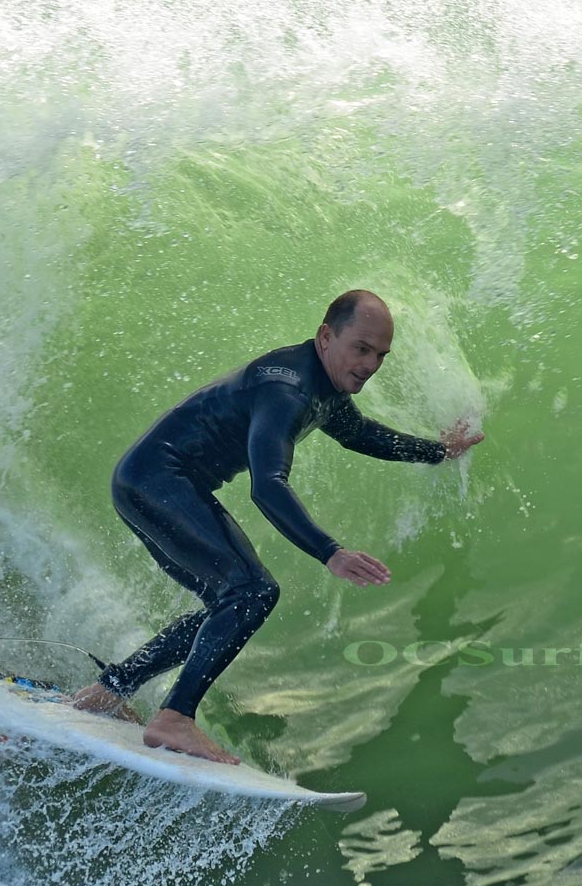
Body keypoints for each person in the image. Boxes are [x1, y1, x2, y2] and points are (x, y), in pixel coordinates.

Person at [71, 290, 484, 763]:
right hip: (158, 481)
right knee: (251, 592)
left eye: (380, 355)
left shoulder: (321, 384)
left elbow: (358, 434)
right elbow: (267, 485)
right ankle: (174, 719)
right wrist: (331, 551)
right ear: (326, 336)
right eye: (362, 348)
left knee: (226, 605)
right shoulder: (287, 391)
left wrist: (438, 451)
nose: (371, 364)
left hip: (146, 482)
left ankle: (109, 691)